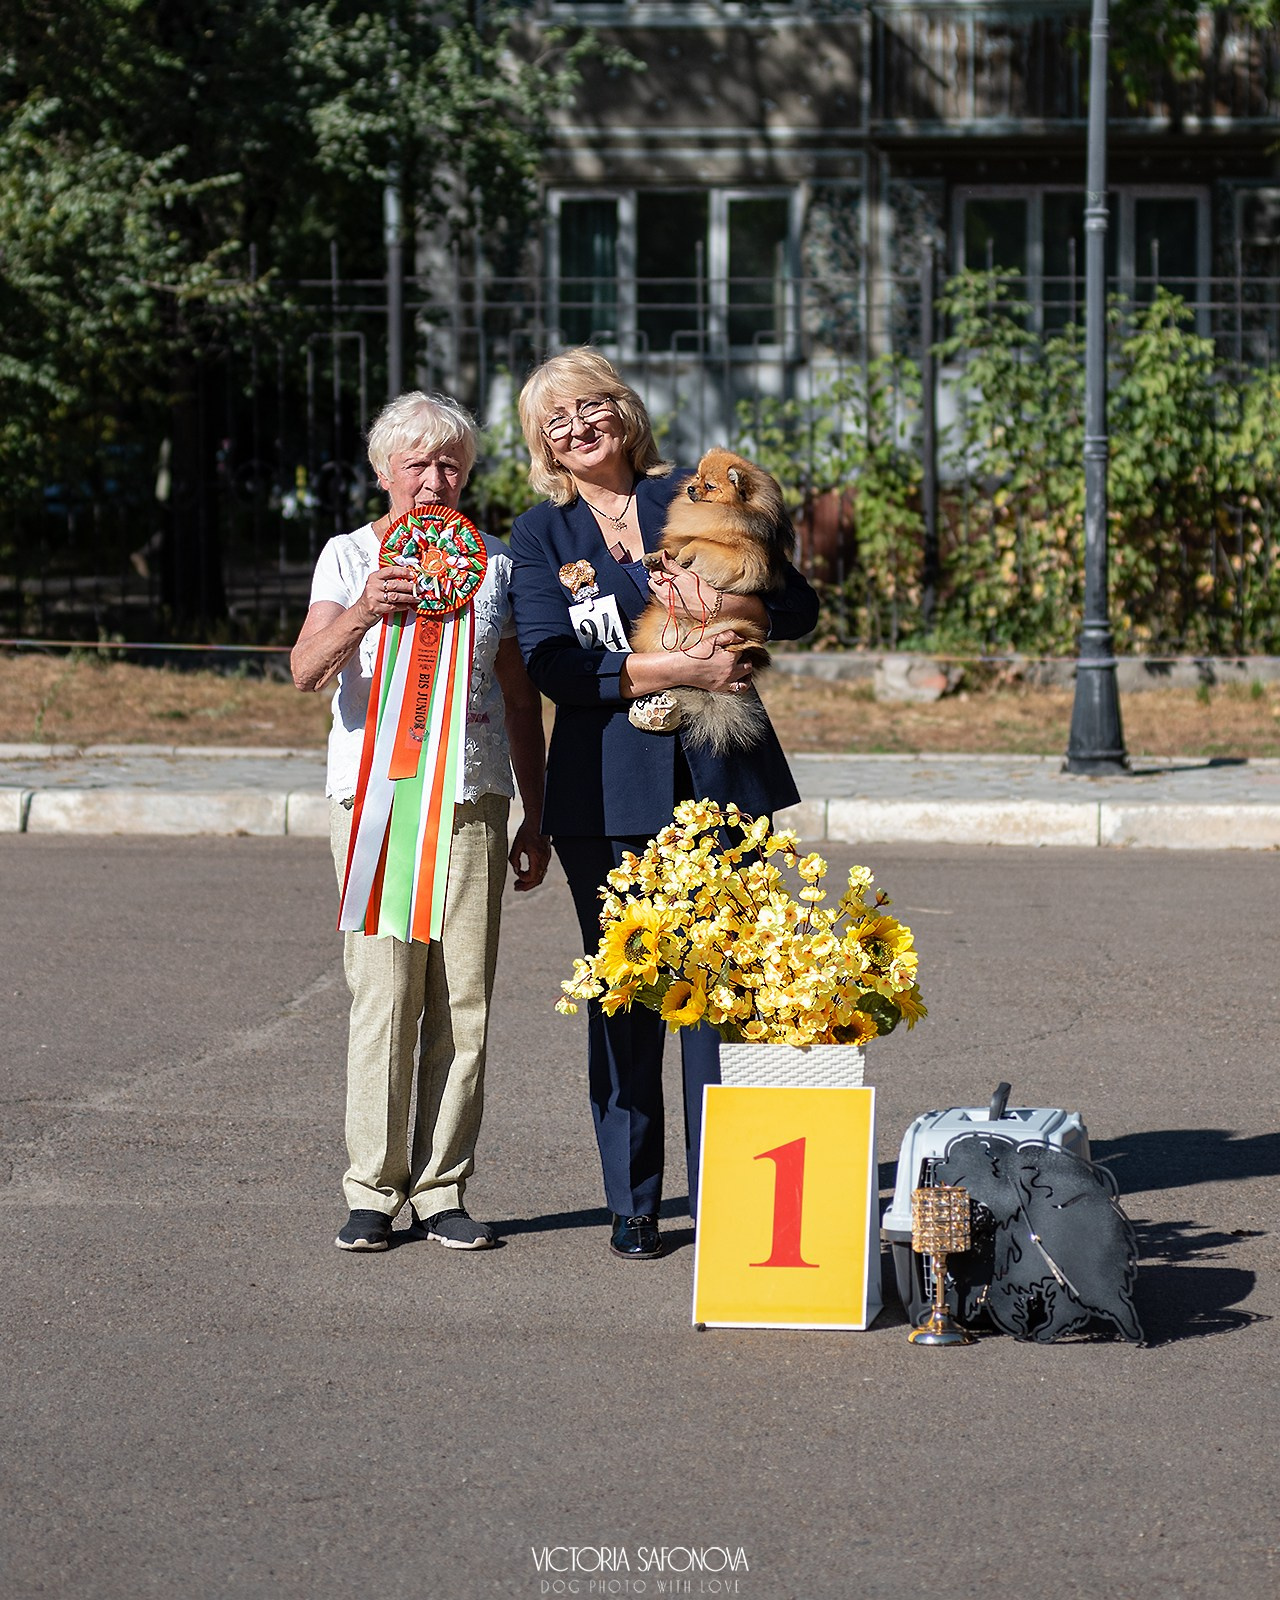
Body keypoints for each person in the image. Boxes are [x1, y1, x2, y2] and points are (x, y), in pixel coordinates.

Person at [509, 348, 818, 1261]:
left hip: (723, 780)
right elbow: (550, 663)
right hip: (603, 794)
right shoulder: (539, 533)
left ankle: (733, 1195)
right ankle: (633, 1199)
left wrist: (731, 591)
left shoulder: (695, 486)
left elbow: (796, 608)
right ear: (541, 444)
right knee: (628, 997)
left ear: (625, 409)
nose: (577, 428)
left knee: (728, 992)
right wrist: (673, 665)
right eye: (555, 420)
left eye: (592, 406)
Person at [291, 390, 551, 1252]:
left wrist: (535, 811)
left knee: (463, 999)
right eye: (417, 464)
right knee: (384, 992)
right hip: (376, 804)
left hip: (474, 800)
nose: (435, 479)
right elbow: (304, 670)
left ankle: (444, 1187)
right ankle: (371, 1185)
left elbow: (519, 698)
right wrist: (368, 609)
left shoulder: (496, 566)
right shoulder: (346, 555)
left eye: (451, 464)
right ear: (383, 472)